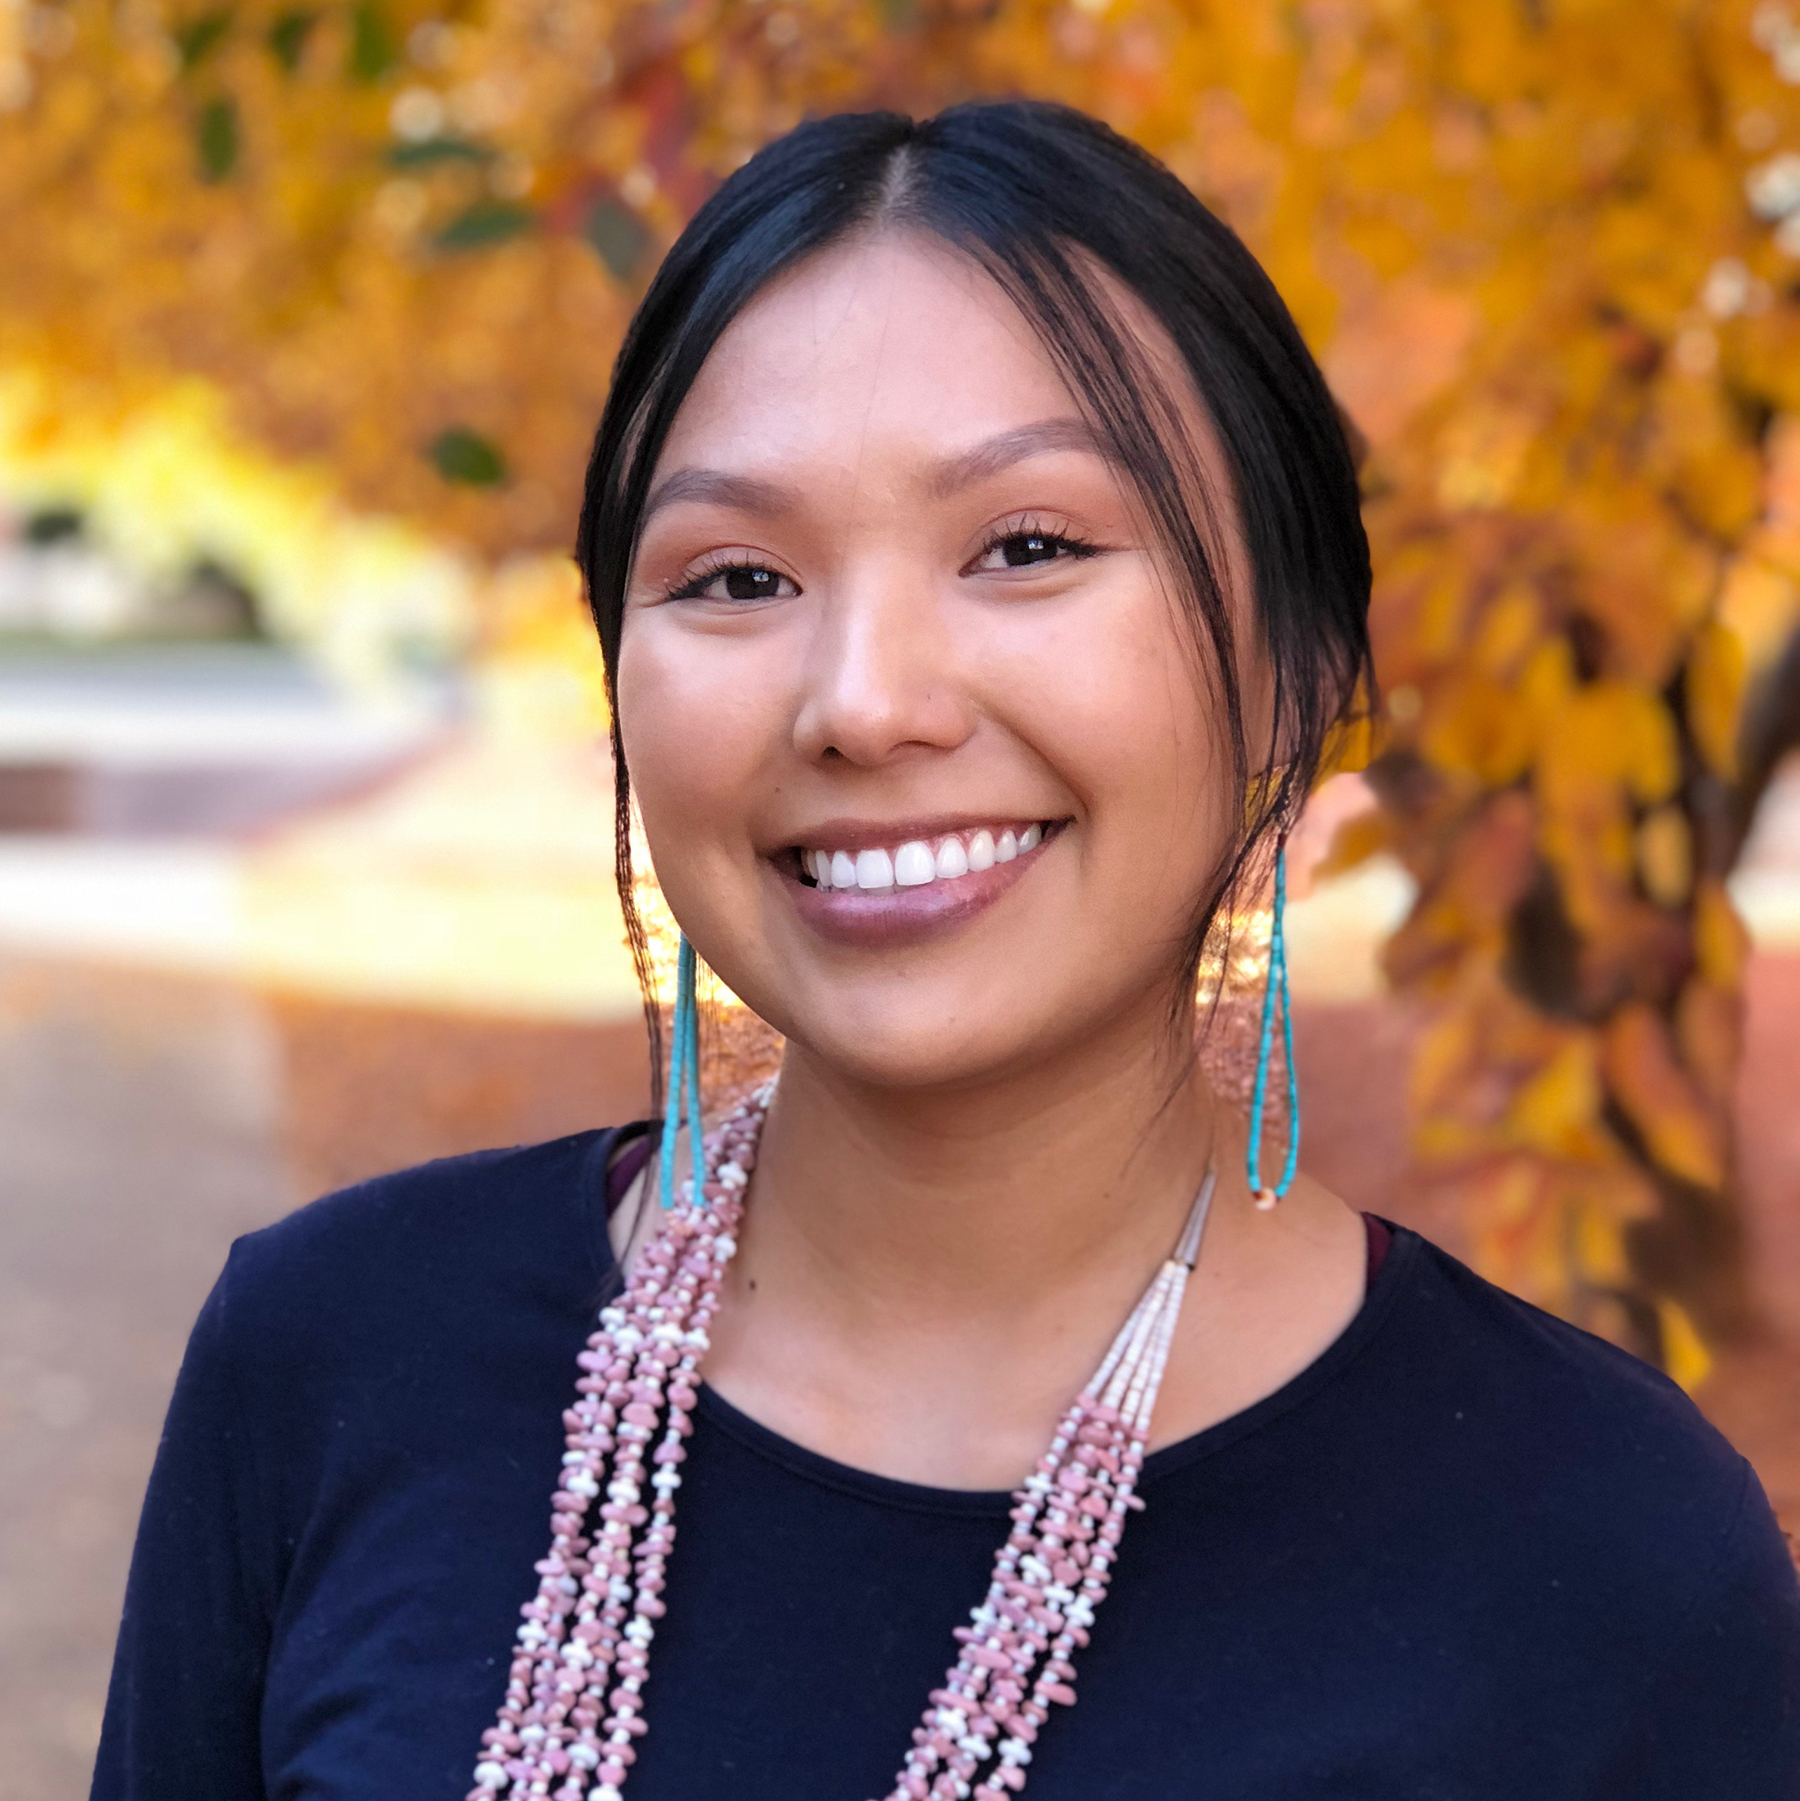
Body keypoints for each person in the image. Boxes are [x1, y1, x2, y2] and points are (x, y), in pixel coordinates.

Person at [93, 101, 1800, 1801]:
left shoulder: (1602, 1559)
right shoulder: (335, 1353)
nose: (865, 703)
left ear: (1296, 664)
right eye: (738, 577)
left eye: (1029, 548)